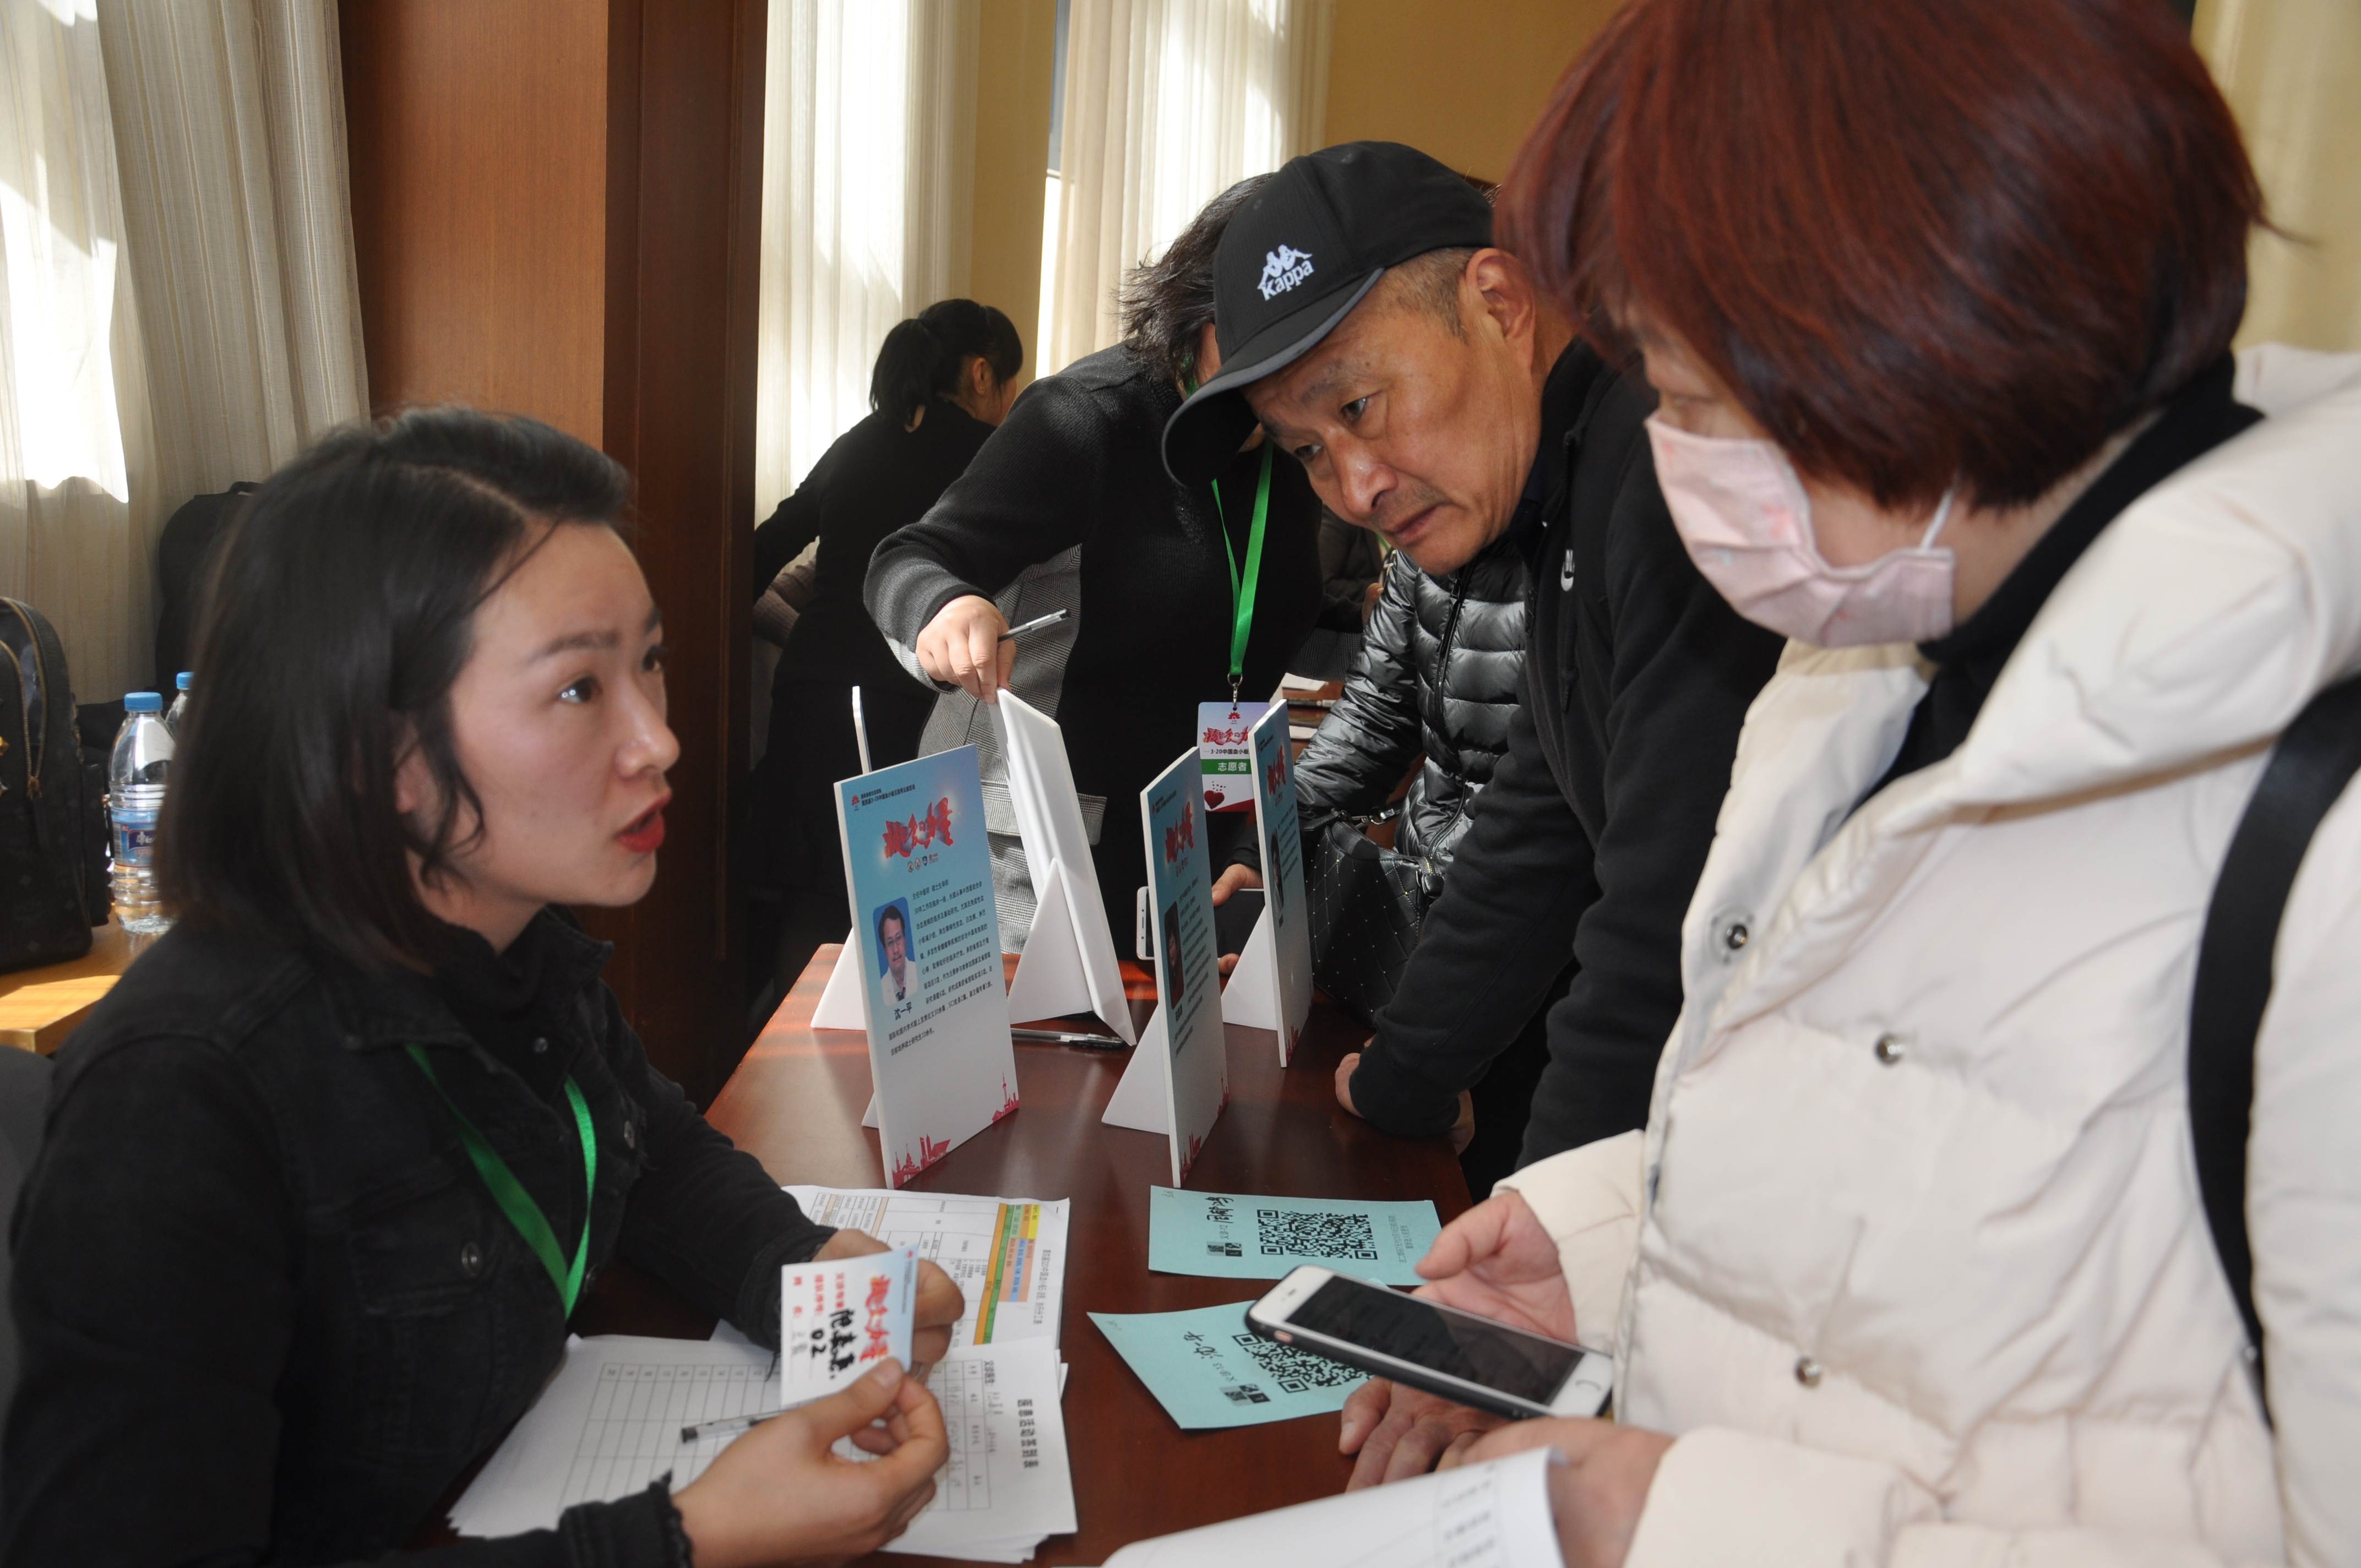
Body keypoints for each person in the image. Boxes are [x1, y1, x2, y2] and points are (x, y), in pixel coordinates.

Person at [1341, 3, 2361, 1565]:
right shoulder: (1870, 660)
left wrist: (1686, 1523)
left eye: (1683, 399)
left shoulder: (2320, 823)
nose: (1672, 464)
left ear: (1907, 323)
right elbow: (1941, 1155)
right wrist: (1614, 1243)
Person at [2, 410, 966, 1566]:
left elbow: (643, 1142)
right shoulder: (183, 1093)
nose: (656, 737)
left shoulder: (508, 939)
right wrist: (680, 1541)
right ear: (380, 752)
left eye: (647, 660)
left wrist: (797, 1261)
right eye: (576, 690)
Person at [1161, 141, 1780, 1179]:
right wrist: (1402, 1073)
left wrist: (1543, 1213)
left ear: (1497, 301)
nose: (1353, 488)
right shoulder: (1555, 494)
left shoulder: (1663, 461)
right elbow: (1540, 820)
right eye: (1309, 450)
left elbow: (1666, 906)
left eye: (1356, 406)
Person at [866, 177, 1322, 956]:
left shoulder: (1296, 450)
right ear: (1194, 315)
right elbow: (908, 557)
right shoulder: (1086, 416)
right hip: (1025, 858)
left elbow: (1247, 663)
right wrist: (946, 608)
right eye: (1244, 339)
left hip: (1183, 846)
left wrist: (1246, 838)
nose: (1270, 373)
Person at [744, 299, 1022, 999]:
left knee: (811, 899)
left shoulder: (861, 439)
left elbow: (763, 550)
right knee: (898, 910)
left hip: (807, 693)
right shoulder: (990, 456)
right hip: (900, 709)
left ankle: (776, 1082)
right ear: (983, 372)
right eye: (1011, 380)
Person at [875, 903, 916, 1024]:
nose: (896, 949)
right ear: (884, 950)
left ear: (905, 940)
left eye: (898, 939)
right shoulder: (880, 989)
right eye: (890, 943)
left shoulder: (920, 972)